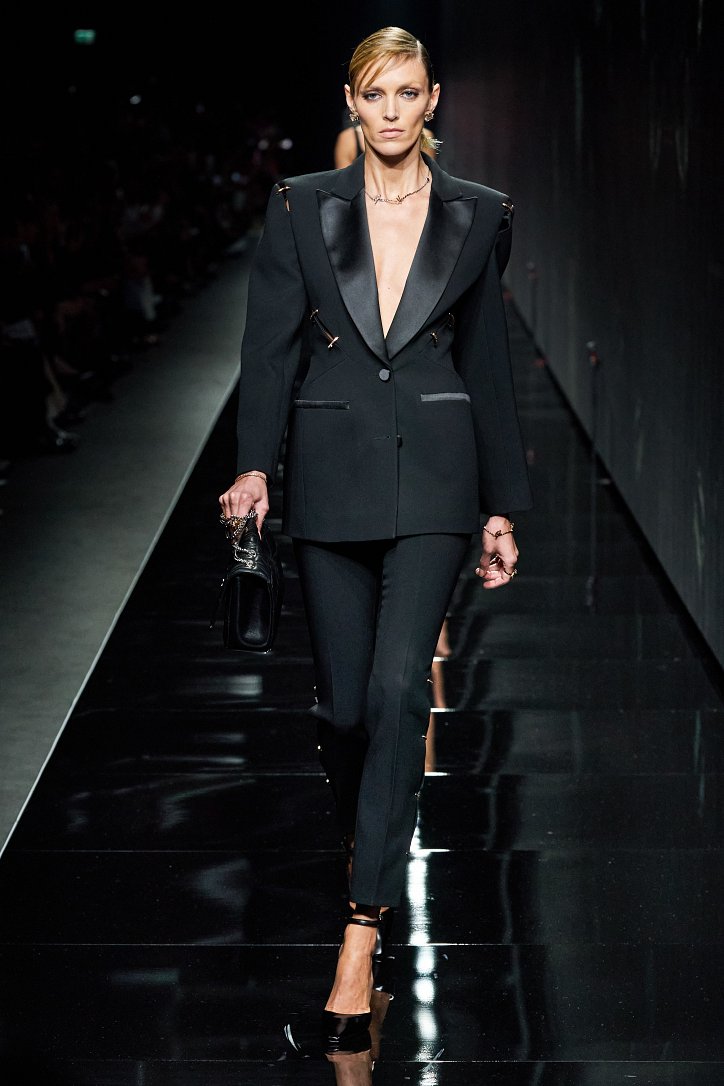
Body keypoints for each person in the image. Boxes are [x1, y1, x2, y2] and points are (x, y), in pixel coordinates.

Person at [218, 25, 532, 1068]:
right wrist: (253, 467)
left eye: (407, 93)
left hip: (437, 479)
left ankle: (360, 934)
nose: (391, 111)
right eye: (374, 94)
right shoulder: (301, 207)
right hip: (328, 475)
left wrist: (501, 504)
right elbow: (267, 349)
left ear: (432, 100)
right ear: (350, 102)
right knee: (347, 711)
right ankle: (370, 832)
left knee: (401, 691)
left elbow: (486, 358)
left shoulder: (479, 213)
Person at [333, 103, 439, 168]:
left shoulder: (425, 137)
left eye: (408, 94)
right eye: (373, 95)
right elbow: (344, 188)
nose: (390, 113)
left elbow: (427, 183)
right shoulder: (349, 138)